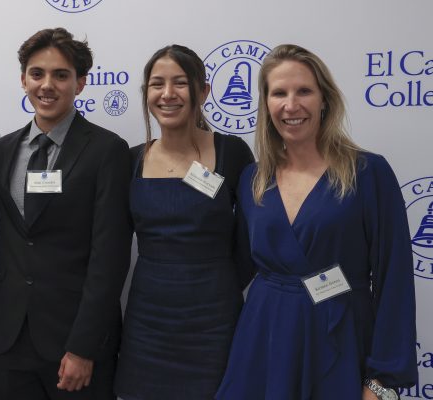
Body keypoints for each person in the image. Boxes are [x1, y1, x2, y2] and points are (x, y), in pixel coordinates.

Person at [216, 44, 417, 400]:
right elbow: (233, 268)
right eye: (279, 93)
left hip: (340, 338)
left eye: (304, 91)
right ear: (266, 104)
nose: (291, 105)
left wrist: (381, 381)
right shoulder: (252, 179)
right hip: (264, 339)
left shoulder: (368, 173)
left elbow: (394, 280)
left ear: (325, 98)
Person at [0, 27, 132, 400]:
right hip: (7, 340)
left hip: (73, 343)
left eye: (61, 75)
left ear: (80, 84)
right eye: (37, 74)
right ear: (23, 80)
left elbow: (109, 259)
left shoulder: (107, 151)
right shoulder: (1, 150)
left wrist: (84, 346)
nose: (47, 85)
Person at [114, 45, 255, 400]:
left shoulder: (232, 152)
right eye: (157, 84)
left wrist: (216, 281)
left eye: (180, 83)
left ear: (203, 91)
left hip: (216, 321)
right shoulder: (130, 160)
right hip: (147, 321)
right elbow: (111, 245)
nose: (167, 94)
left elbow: (253, 239)